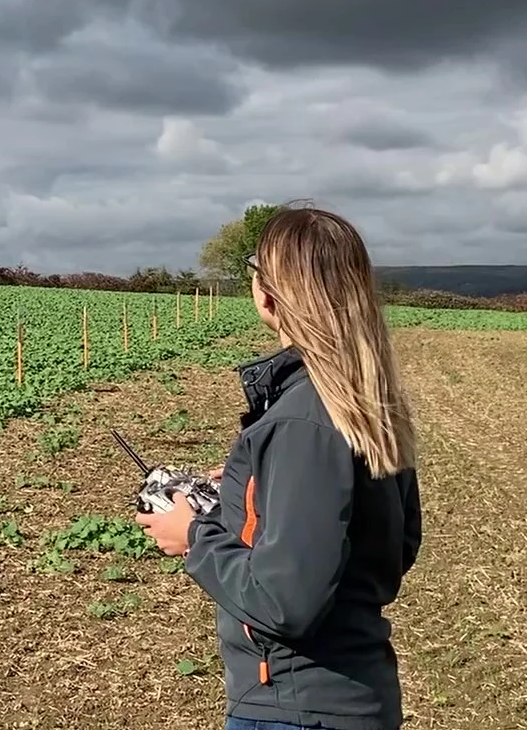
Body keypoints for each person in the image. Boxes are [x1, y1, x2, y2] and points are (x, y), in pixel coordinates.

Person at [135, 203, 422, 730]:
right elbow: (391, 546)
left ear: (267, 295)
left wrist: (194, 535)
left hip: (298, 707)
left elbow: (287, 602)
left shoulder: (300, 421)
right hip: (352, 698)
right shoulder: (365, 401)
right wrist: (262, 495)